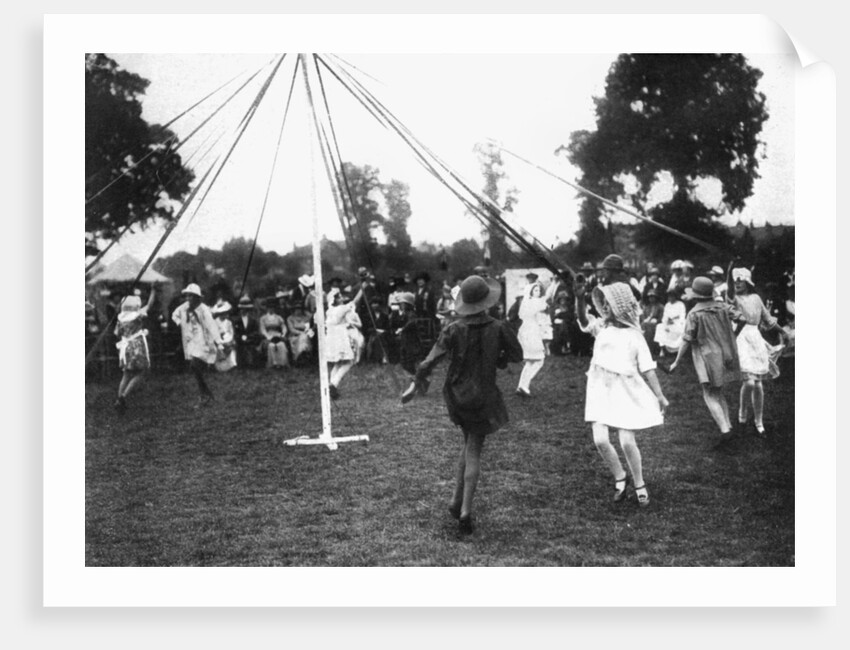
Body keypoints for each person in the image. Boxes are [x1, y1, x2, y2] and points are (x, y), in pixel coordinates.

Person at [402, 275, 523, 535]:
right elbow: (516, 355)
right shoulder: (499, 327)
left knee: (468, 444)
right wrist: (498, 358)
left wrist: (416, 382)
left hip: (457, 394)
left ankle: (456, 501)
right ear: (487, 301)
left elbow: (429, 360)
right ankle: (466, 511)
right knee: (474, 449)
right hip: (484, 394)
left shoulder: (453, 328)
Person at [575, 281, 669, 508]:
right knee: (600, 439)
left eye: (609, 303)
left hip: (626, 390)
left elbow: (648, 367)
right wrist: (579, 298)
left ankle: (639, 482)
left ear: (621, 306)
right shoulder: (601, 328)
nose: (605, 307)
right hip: (599, 387)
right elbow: (584, 321)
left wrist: (659, 395)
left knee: (627, 441)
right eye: (603, 303)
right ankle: (620, 476)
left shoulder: (635, 336)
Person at [669, 277, 741, 449]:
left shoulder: (694, 314)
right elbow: (742, 317)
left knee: (708, 394)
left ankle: (725, 432)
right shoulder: (723, 307)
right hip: (724, 353)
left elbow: (686, 340)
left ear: (696, 295)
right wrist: (733, 335)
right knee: (718, 391)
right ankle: (728, 426)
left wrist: (676, 361)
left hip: (705, 356)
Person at [727, 267, 789, 437]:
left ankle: (759, 422)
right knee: (749, 382)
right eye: (735, 281)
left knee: (758, 384)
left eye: (740, 281)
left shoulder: (756, 298)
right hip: (741, 338)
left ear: (747, 283)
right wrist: (730, 270)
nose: (737, 284)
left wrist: (783, 332)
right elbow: (730, 294)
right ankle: (742, 413)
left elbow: (768, 319)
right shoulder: (734, 299)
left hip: (756, 339)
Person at [171, 283, 225, 404]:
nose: (188, 298)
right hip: (190, 339)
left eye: (191, 296)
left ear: (197, 297)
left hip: (202, 339)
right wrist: (180, 323)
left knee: (195, 365)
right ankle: (205, 392)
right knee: (195, 367)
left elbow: (212, 326)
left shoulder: (204, 309)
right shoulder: (184, 307)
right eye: (187, 296)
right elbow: (174, 315)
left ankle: (204, 393)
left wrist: (219, 343)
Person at [113, 288, 156, 413]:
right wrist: (153, 291)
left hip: (125, 348)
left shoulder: (120, 319)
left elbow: (117, 333)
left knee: (126, 374)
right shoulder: (138, 316)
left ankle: (119, 400)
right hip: (136, 346)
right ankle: (123, 397)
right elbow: (149, 305)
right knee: (142, 372)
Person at [325, 286, 365, 399]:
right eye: (339, 297)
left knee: (338, 363)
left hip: (331, 338)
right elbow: (355, 301)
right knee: (349, 362)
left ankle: (331, 386)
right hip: (340, 337)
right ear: (335, 300)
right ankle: (334, 384)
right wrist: (362, 288)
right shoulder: (342, 308)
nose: (342, 298)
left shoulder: (329, 310)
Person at [516, 280, 549, 397]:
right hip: (531, 332)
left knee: (530, 361)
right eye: (535, 290)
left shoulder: (527, 302)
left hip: (526, 331)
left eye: (539, 290)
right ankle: (524, 385)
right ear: (530, 292)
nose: (538, 292)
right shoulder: (534, 302)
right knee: (539, 360)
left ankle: (521, 386)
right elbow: (544, 305)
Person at [654, 287, 686, 359]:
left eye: (672, 296)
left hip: (678, 323)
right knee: (660, 327)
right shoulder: (667, 305)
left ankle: (678, 350)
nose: (670, 298)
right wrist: (666, 323)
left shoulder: (680, 304)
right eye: (669, 296)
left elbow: (682, 316)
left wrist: (674, 321)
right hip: (669, 323)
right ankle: (662, 349)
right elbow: (665, 317)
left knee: (681, 328)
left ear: (675, 296)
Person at [233, 295, 261, 369]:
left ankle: (251, 364)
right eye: (242, 309)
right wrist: (241, 337)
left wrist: (248, 337)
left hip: (251, 340)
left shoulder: (253, 320)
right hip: (240, 342)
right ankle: (242, 364)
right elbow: (235, 332)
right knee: (241, 348)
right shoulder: (236, 321)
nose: (243, 310)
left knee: (251, 347)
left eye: (245, 309)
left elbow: (256, 332)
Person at [259, 300, 289, 369]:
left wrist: (283, 334)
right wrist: (267, 336)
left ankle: (281, 363)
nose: (271, 309)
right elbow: (262, 329)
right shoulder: (263, 318)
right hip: (268, 335)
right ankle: (273, 363)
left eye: (272, 307)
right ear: (267, 308)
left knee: (281, 345)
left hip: (277, 334)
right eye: (269, 307)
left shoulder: (278, 317)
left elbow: (283, 327)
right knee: (271, 346)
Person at [211, 300, 237, 372]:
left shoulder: (229, 322)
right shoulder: (215, 322)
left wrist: (228, 340)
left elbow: (231, 333)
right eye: (222, 313)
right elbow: (214, 333)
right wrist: (220, 340)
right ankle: (220, 367)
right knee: (220, 348)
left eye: (225, 313)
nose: (224, 315)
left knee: (232, 347)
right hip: (218, 340)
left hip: (228, 339)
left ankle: (231, 365)